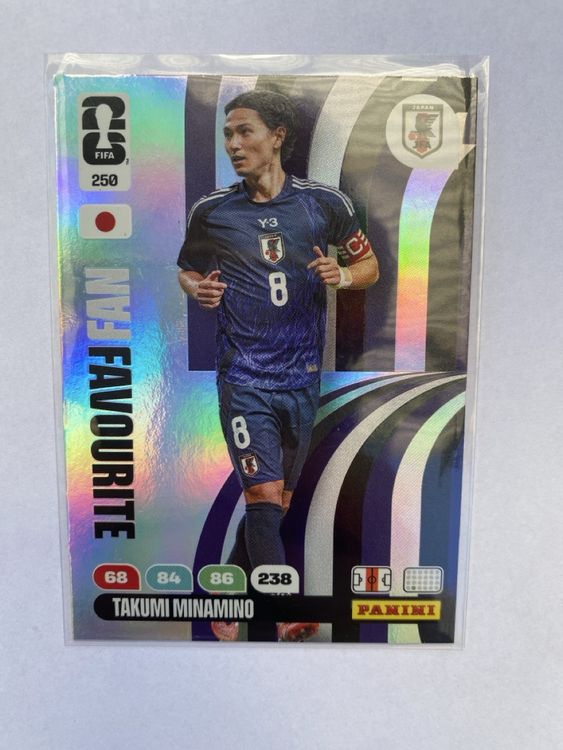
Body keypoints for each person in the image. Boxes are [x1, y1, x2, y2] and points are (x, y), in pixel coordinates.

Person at [177, 90, 379, 641]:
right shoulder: (213, 211)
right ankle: (284, 608)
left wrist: (343, 276)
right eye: (228, 133)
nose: (233, 144)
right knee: (263, 496)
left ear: (278, 137)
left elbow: (368, 265)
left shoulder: (324, 204)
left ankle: (225, 596)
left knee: (275, 503)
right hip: (244, 378)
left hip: (301, 380)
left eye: (245, 131)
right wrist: (198, 289)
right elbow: (188, 269)